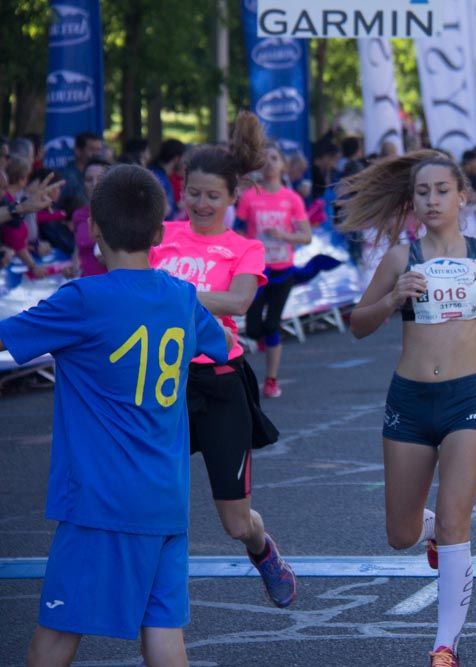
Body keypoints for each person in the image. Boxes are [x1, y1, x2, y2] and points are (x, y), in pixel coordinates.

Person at [0, 164, 229, 666]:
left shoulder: (85, 299)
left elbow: (9, 336)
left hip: (102, 501)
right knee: (164, 632)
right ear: (158, 232)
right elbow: (225, 344)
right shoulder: (182, 296)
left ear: (94, 229)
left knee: (56, 635)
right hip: (166, 495)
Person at [340, 150, 476, 667]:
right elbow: (357, 324)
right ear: (412, 202)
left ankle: (444, 646)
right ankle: (427, 530)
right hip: (409, 403)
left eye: (441, 190)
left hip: (466, 401)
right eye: (422, 192)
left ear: (462, 197)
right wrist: (391, 302)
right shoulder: (399, 259)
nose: (432, 200)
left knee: (459, 519)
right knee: (401, 535)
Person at [149, 112, 297, 607]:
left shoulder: (245, 247)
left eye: (213, 195)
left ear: (234, 197)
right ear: (181, 190)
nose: (202, 203)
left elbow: (237, 303)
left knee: (236, 521)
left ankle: (264, 551)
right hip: (162, 383)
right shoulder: (160, 236)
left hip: (220, 383)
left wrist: (169, 291)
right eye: (194, 193)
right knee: (153, 498)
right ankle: (151, 584)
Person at [236, 143, 312, 398]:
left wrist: (284, 235)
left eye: (274, 158)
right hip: (256, 272)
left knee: (272, 324)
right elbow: (236, 230)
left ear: (283, 165)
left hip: (282, 270)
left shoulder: (292, 199)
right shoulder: (249, 197)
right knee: (254, 327)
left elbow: (306, 237)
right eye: (265, 158)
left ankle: (271, 380)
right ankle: (261, 344)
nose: (269, 163)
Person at [67, 158, 113, 278]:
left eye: (99, 179)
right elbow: (78, 249)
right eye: (88, 180)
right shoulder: (79, 215)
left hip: (109, 288)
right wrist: (73, 266)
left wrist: (111, 257)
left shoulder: (121, 215)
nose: (94, 184)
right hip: (84, 286)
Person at [2, 155, 46, 279]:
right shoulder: (8, 202)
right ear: (22, 178)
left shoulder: (16, 201)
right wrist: (33, 266)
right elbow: (14, 238)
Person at [56, 132, 103, 212]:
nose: (96, 154)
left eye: (98, 150)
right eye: (92, 149)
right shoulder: (66, 177)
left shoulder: (105, 172)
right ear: (78, 151)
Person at [151, 139, 187, 221]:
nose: (185, 162)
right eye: (183, 158)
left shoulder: (157, 174)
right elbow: (166, 215)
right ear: (176, 158)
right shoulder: (160, 179)